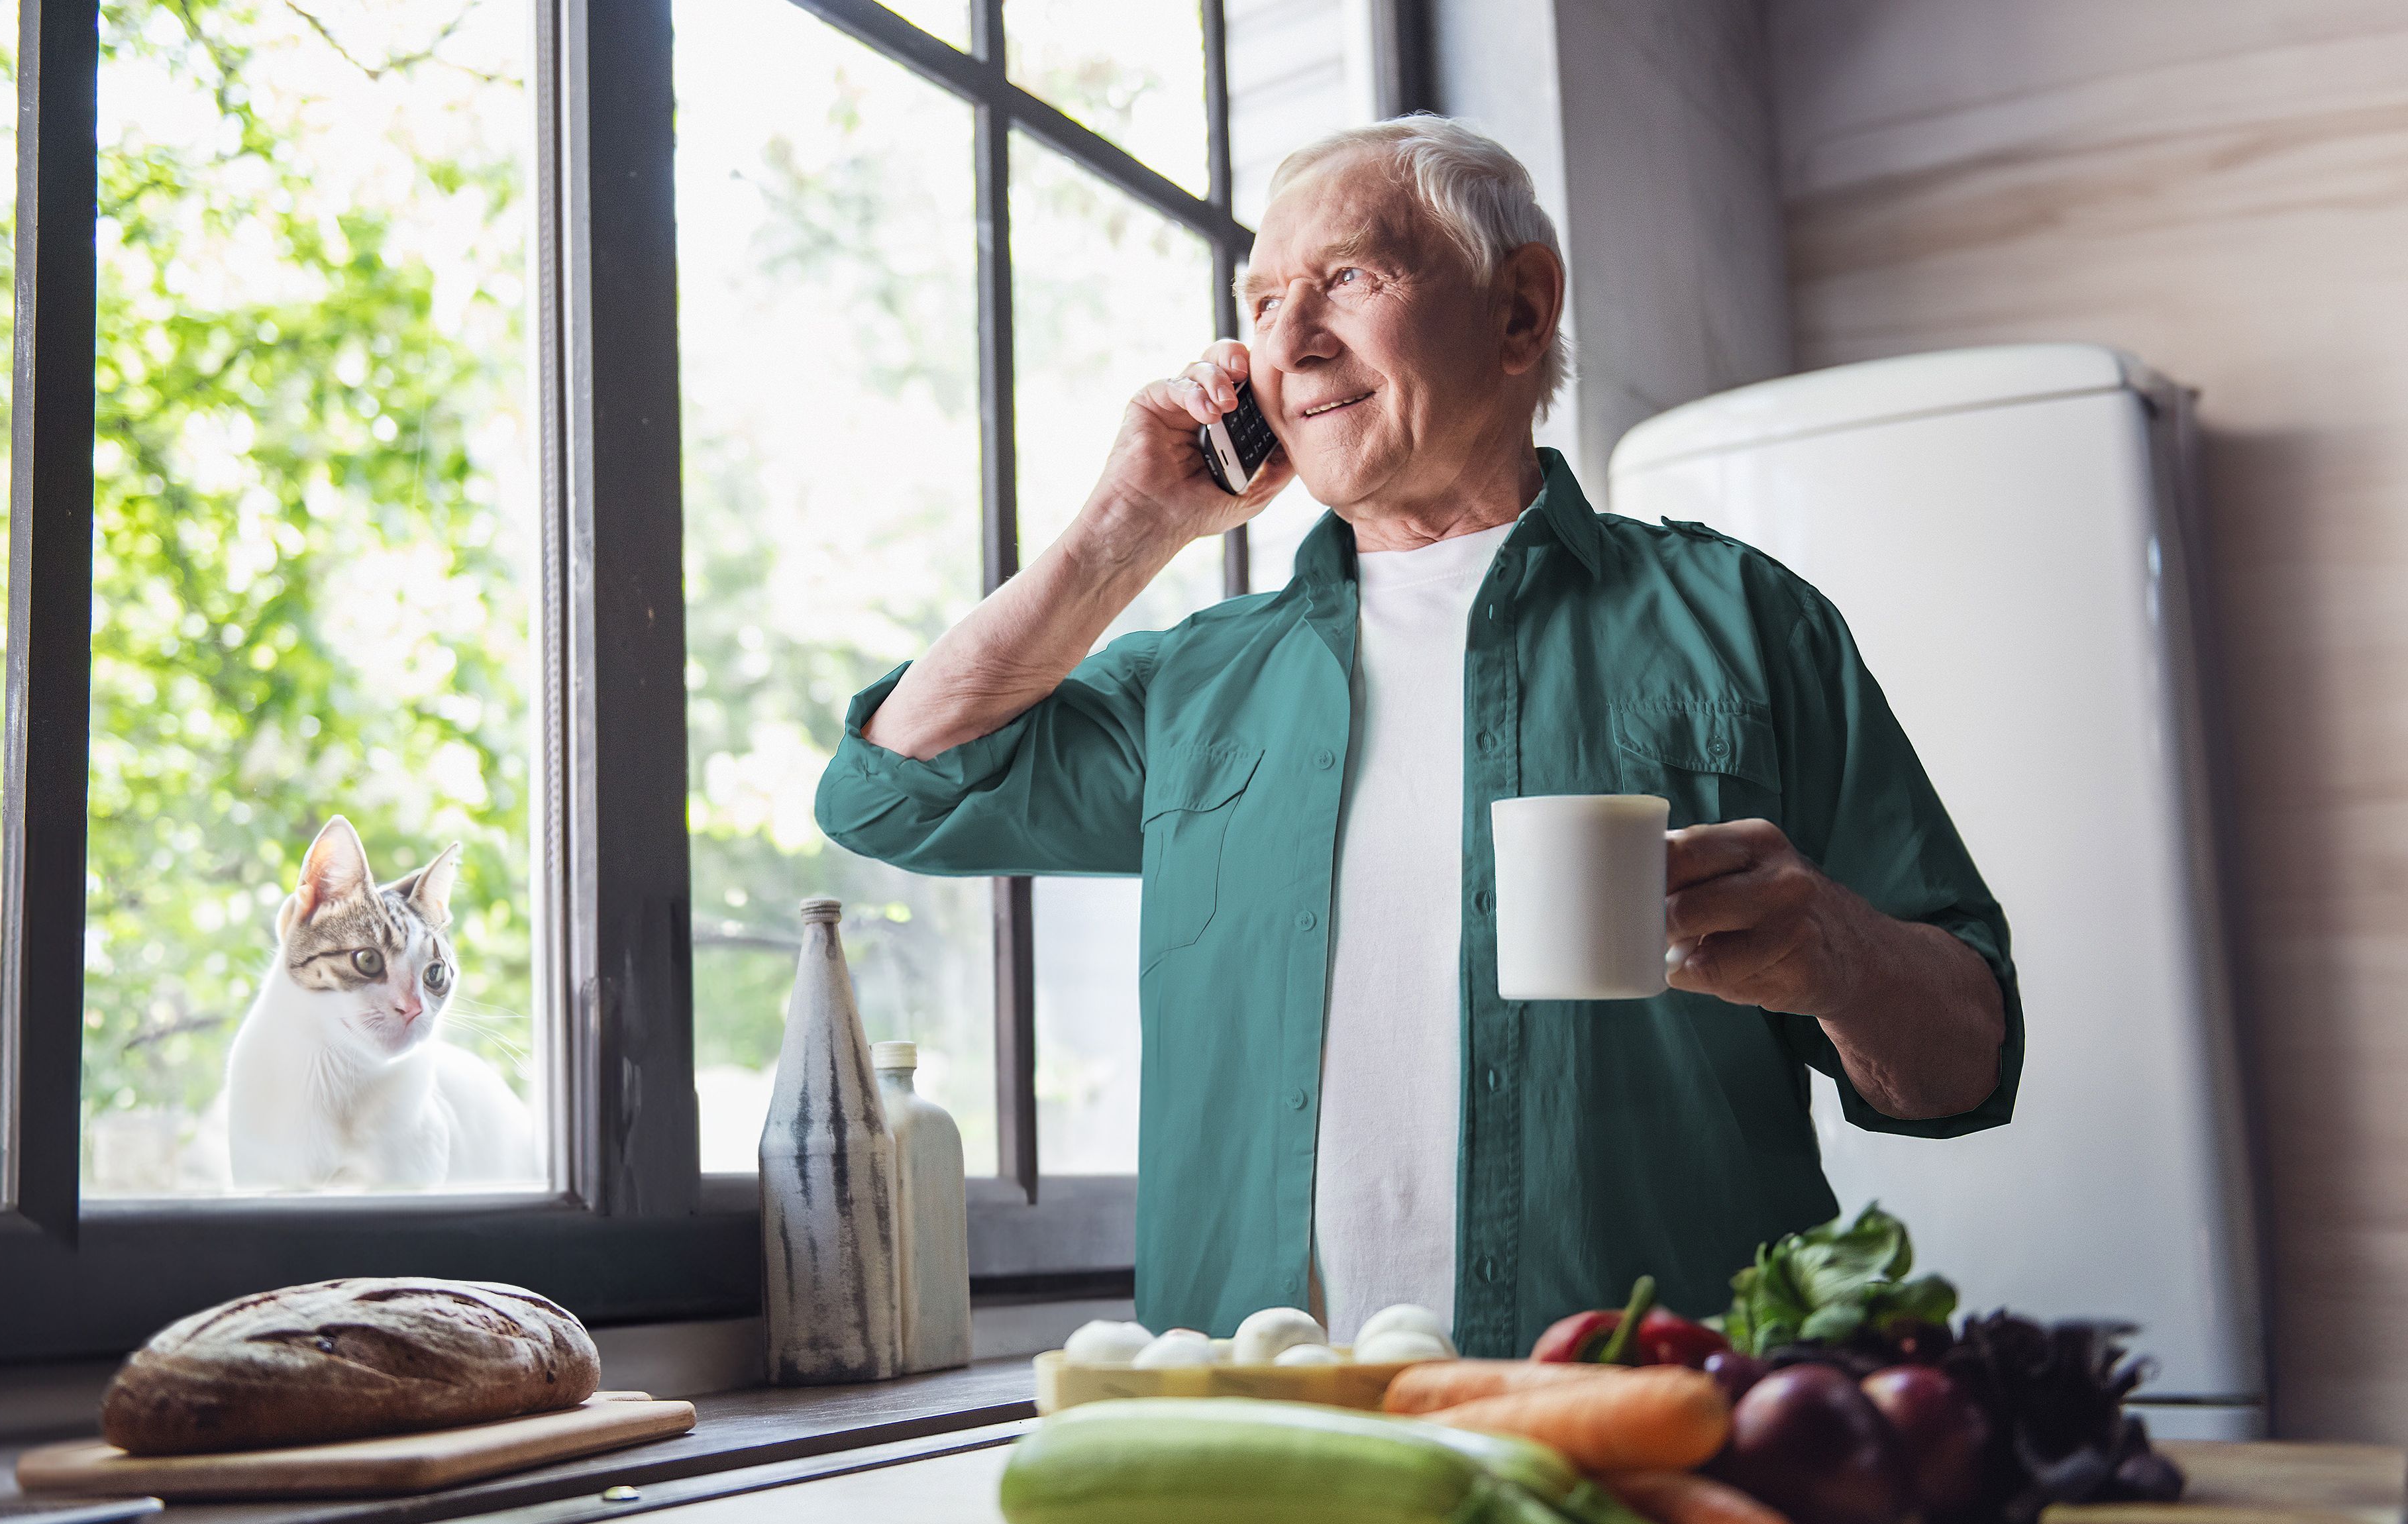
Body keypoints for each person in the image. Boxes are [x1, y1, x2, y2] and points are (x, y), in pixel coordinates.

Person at [813, 116, 2019, 1356]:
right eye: (1264, 298)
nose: (1287, 339)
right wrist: (1127, 526)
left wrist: (1834, 950)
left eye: (1347, 278)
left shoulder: (1746, 623)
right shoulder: (1199, 682)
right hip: (1266, 1442)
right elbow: (888, 792)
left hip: (1661, 1434)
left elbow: (1964, 1070)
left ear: (1519, 311)